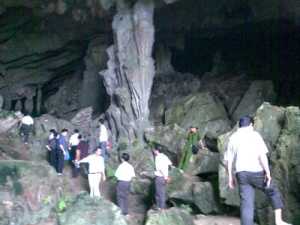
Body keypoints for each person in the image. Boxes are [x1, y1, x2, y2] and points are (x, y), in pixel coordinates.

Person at [224, 116, 291, 225]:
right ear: (250, 125)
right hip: (256, 172)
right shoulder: (255, 135)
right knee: (273, 191)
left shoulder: (233, 138)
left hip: (241, 174)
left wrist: (230, 177)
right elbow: (262, 156)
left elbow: (229, 160)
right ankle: (278, 221)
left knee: (246, 205)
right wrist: (267, 172)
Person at [152, 144, 173, 212]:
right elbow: (170, 165)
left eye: (154, 149)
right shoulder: (165, 157)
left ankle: (161, 208)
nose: (154, 151)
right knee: (160, 192)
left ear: (157, 151)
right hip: (164, 177)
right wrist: (168, 171)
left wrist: (165, 176)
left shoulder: (157, 158)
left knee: (159, 193)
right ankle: (159, 206)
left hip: (160, 177)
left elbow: (160, 169)